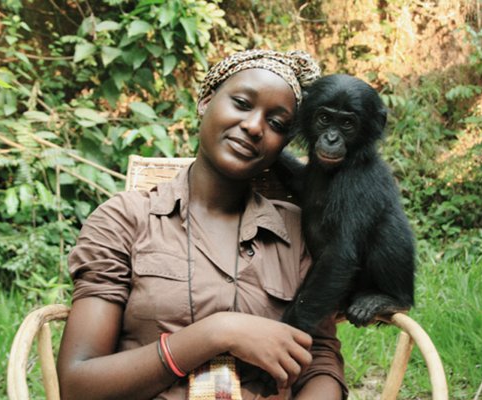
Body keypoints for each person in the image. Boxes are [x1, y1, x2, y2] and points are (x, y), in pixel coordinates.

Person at [56, 49, 348, 400]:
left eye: (276, 124)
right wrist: (218, 333)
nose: (255, 127)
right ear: (205, 102)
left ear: (283, 144)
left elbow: (319, 362)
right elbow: (78, 385)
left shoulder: (298, 233)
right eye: (241, 103)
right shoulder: (125, 220)